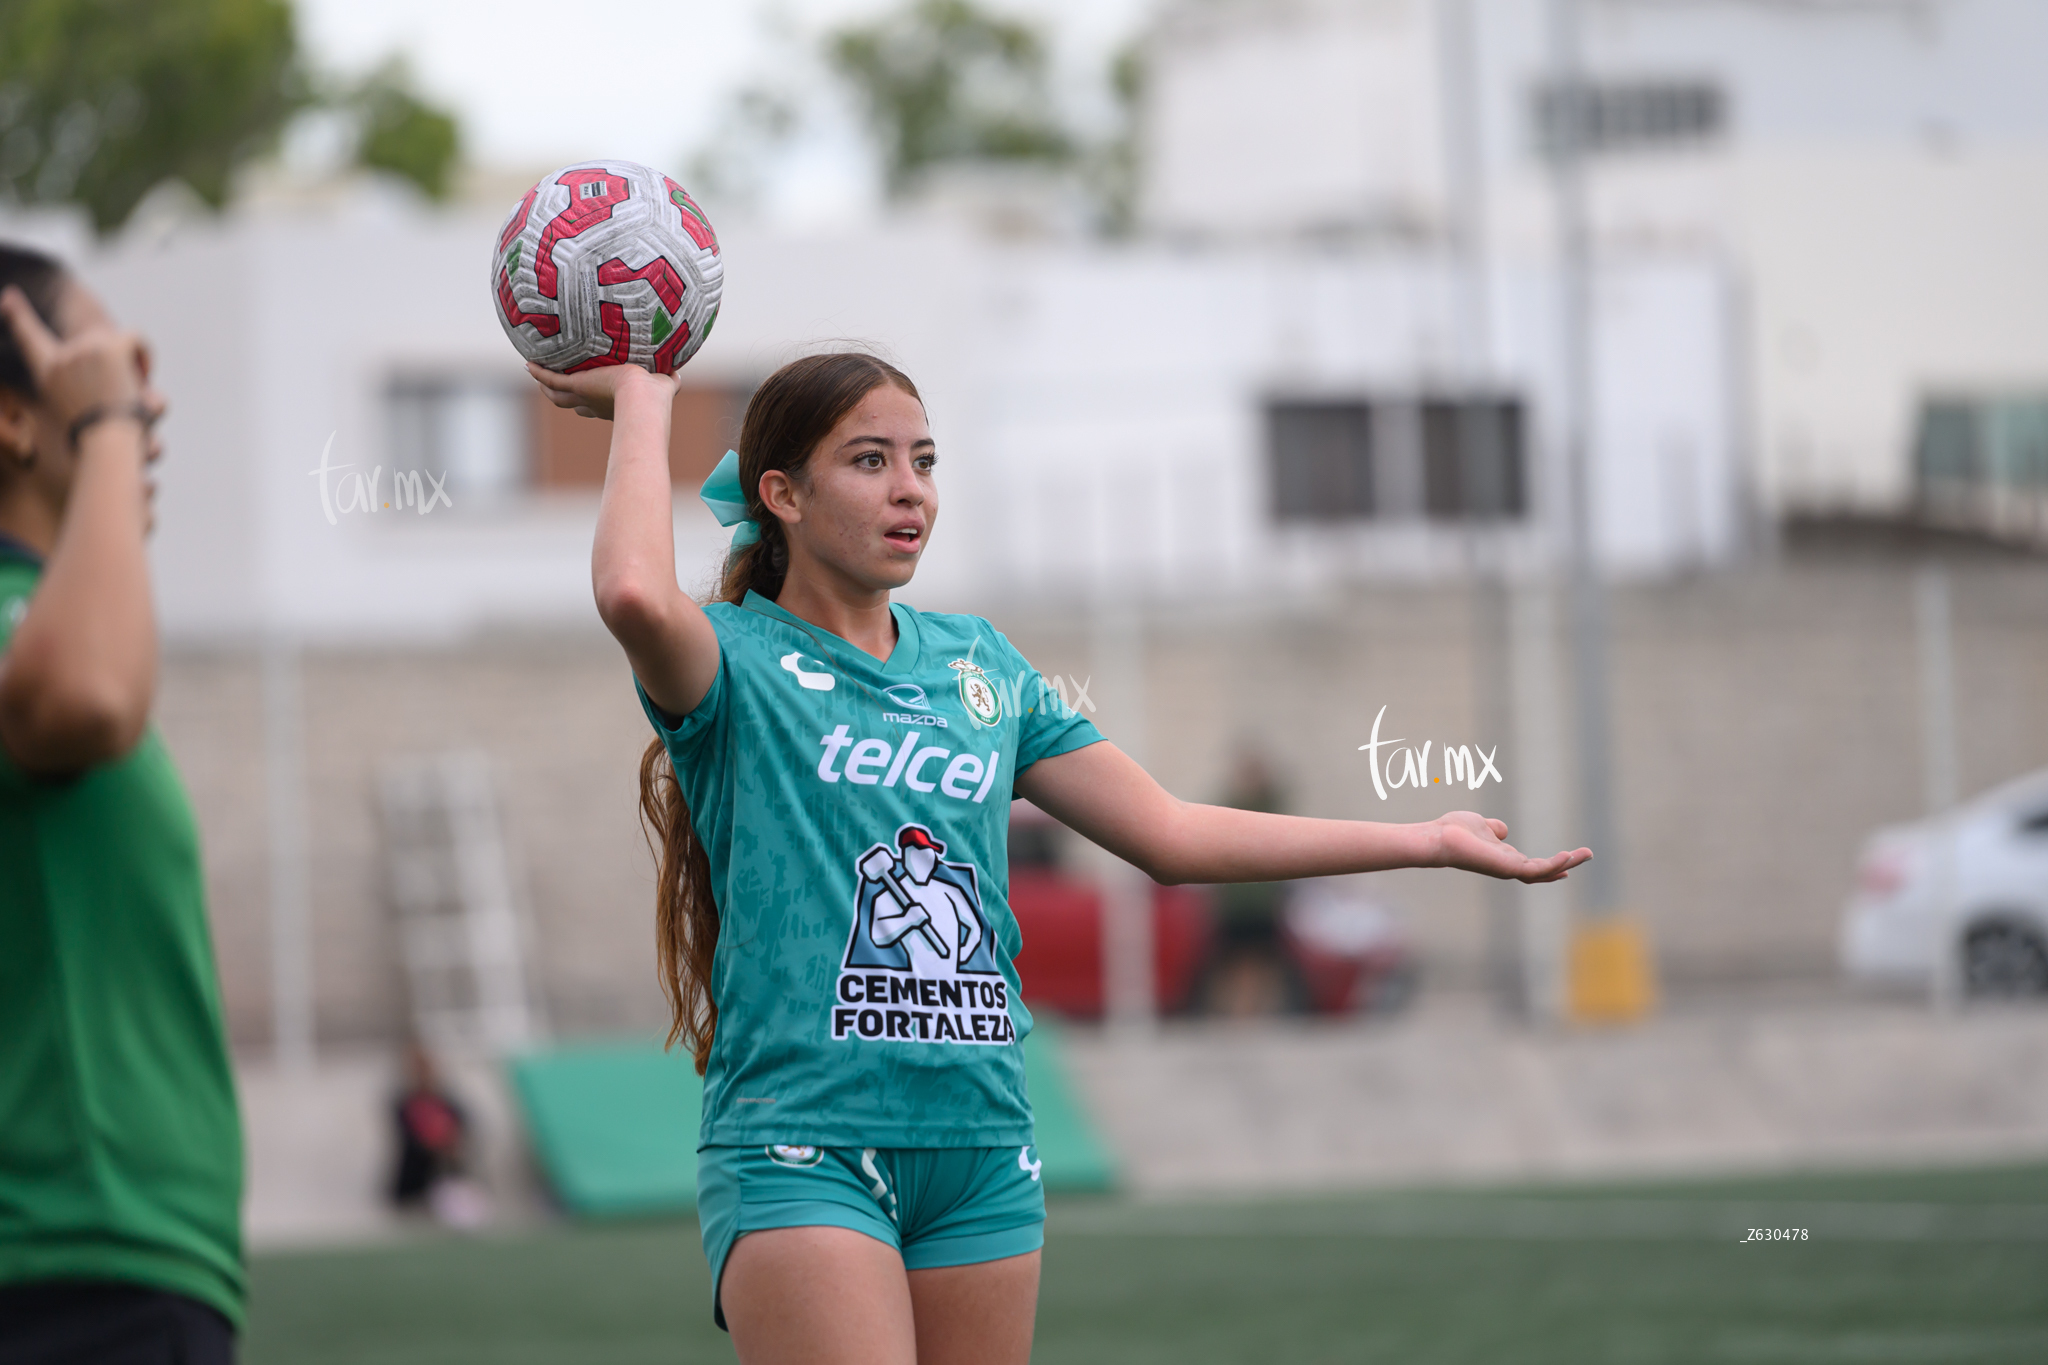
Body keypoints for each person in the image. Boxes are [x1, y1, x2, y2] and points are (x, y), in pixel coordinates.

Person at [529, 348, 1590, 1365]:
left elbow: (1170, 834)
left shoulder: (980, 666)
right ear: (783, 496)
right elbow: (630, 592)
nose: (910, 491)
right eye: (869, 460)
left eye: (924, 461)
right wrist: (645, 395)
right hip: (802, 1145)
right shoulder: (735, 660)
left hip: (981, 1146)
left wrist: (1422, 842)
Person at [0, 246, 244, 1360]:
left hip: (114, 1264)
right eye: (100, 364)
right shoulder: (34, 640)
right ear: (15, 420)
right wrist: (100, 432)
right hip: (66, 1266)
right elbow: (88, 697)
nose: (143, 404)